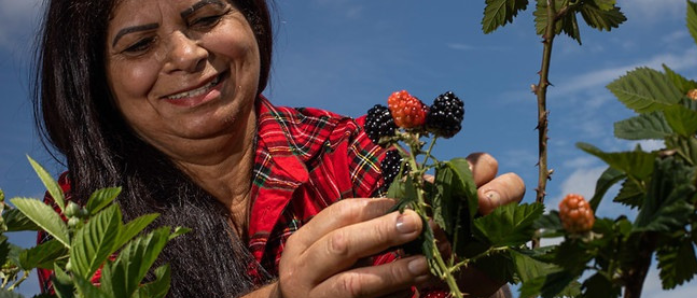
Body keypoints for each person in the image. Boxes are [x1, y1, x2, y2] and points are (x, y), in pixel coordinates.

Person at [33, 0, 526, 297]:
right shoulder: (80, 216)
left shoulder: (349, 150)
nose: (187, 54)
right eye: (139, 45)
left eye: (206, 16)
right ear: (94, 83)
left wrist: (478, 259)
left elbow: (447, 277)